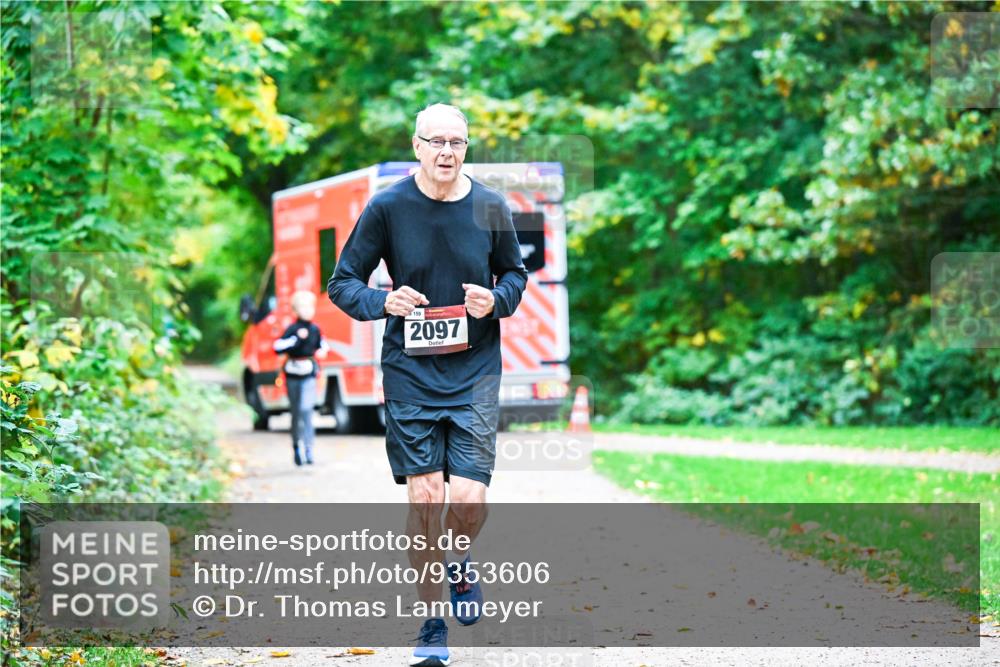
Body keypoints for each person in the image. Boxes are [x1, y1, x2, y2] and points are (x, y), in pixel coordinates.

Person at [328, 103, 527, 667]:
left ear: (467, 147)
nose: (446, 152)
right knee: (425, 497)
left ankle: (460, 559)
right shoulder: (388, 206)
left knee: (467, 498)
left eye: (457, 142)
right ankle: (431, 623)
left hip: (474, 370)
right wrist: (381, 301)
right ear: (416, 146)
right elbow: (342, 282)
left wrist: (497, 299)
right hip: (411, 374)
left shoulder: (490, 205)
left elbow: (515, 273)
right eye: (435, 141)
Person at [273, 290, 324, 466]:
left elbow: (322, 345)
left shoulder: (315, 329)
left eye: (309, 306)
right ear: (295, 310)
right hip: (292, 375)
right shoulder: (292, 329)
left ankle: (309, 448)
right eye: (303, 306)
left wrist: (321, 351)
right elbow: (277, 346)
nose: (307, 310)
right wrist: (295, 340)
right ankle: (296, 447)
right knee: (295, 413)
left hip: (309, 374)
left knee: (306, 410)